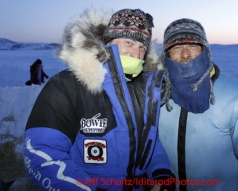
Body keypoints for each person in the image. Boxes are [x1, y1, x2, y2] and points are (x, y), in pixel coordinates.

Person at [23, 8, 175, 191]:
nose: (136, 53)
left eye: (142, 47)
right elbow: (40, 152)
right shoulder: (67, 85)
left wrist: (161, 172)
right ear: (108, 41)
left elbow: (148, 141)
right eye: (128, 42)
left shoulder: (145, 89)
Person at [158, 18, 238, 191]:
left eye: (193, 46)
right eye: (176, 47)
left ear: (205, 50)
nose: (185, 54)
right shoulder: (157, 96)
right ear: (167, 55)